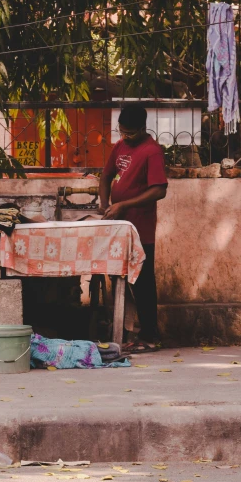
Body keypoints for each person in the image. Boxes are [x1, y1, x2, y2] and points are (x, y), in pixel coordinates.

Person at [99, 104, 168, 353]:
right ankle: (129, 331)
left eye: (129, 133)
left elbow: (159, 189)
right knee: (121, 279)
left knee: (143, 281)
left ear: (142, 129)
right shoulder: (119, 146)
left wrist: (124, 204)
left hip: (141, 227)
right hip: (118, 226)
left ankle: (151, 335)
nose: (125, 137)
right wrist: (105, 204)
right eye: (121, 131)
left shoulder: (152, 152)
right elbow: (105, 176)